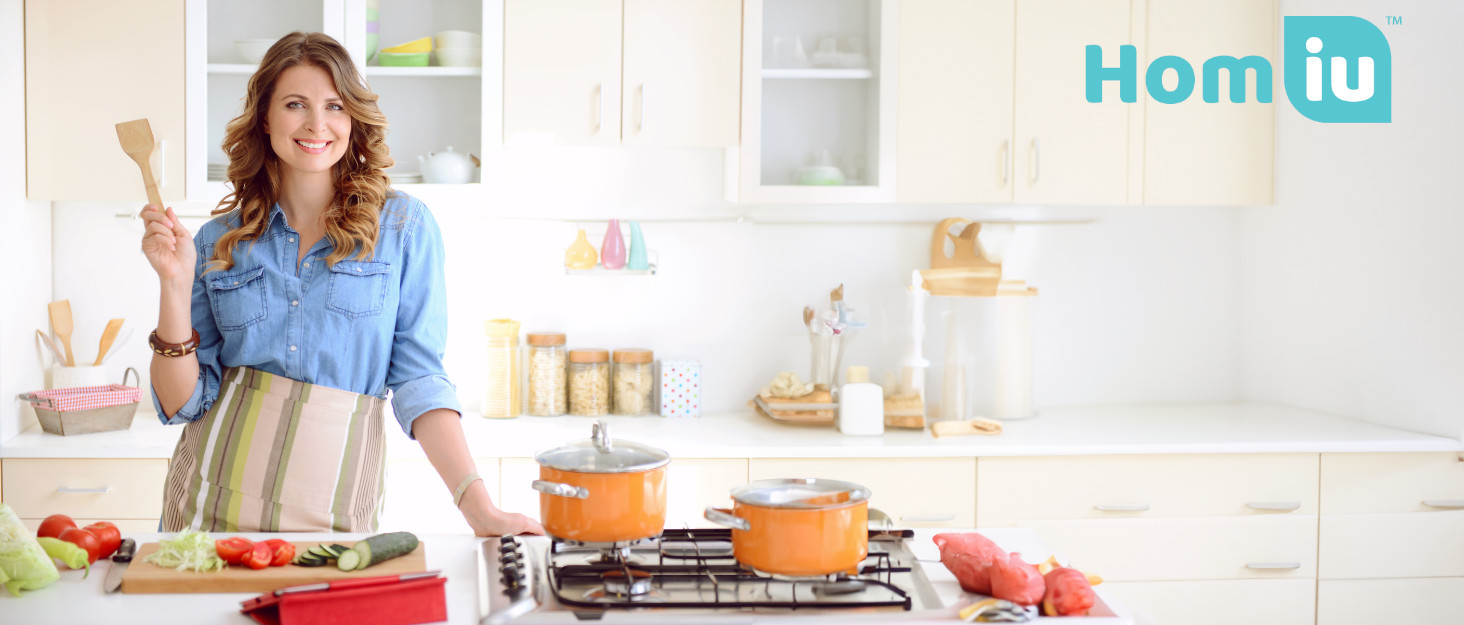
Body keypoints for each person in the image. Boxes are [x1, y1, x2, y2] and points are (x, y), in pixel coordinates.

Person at [139, 32, 541, 536]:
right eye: (295, 104)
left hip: (337, 510)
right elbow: (182, 404)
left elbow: (419, 380)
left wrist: (479, 508)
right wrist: (173, 285)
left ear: (353, 118)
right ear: (265, 118)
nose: (316, 124)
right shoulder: (219, 240)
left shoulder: (403, 228)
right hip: (210, 510)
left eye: (334, 106)